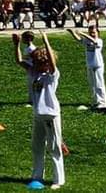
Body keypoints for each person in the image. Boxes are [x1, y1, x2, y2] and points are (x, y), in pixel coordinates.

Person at [15, 31, 64, 189]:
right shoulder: (35, 73)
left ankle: (58, 179)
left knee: (54, 147)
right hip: (38, 115)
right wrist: (16, 45)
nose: (36, 64)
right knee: (37, 146)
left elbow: (51, 60)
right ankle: (37, 175)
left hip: (50, 114)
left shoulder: (52, 75)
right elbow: (19, 61)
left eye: (39, 62)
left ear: (47, 63)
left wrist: (46, 41)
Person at [68, 26, 106, 111]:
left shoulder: (99, 41)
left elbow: (93, 41)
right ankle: (95, 101)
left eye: (94, 32)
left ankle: (103, 103)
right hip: (90, 65)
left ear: (98, 33)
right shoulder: (87, 41)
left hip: (98, 65)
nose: (92, 34)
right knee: (92, 85)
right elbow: (79, 40)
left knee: (99, 85)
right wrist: (72, 32)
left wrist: (82, 33)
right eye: (90, 32)